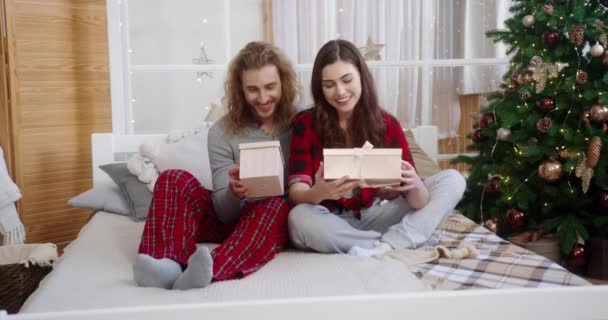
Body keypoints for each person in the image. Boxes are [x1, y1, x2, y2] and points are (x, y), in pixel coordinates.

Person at [133, 41, 298, 290]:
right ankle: (165, 263)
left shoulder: (303, 122)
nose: (263, 98)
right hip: (230, 214)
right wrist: (233, 190)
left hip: (268, 220)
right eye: (252, 89)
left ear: (283, 83)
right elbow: (224, 213)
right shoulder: (222, 132)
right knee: (172, 178)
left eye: (270, 87)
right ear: (240, 91)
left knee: (274, 204)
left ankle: (209, 269)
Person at [287, 39, 466, 256]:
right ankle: (393, 243)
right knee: (299, 218)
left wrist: (415, 185)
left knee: (453, 180)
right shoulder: (305, 124)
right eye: (329, 85)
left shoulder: (386, 123)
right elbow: (296, 193)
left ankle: (385, 244)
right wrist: (318, 192)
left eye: (347, 80)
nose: (340, 91)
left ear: (361, 77)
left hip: (375, 215)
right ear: (320, 88)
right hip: (327, 219)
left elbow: (418, 202)